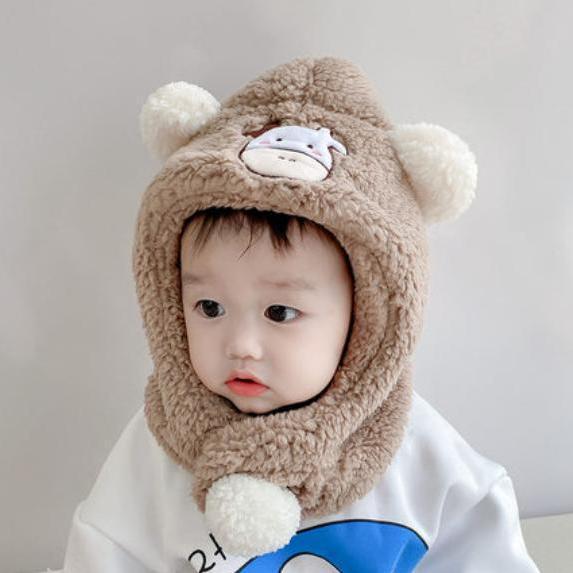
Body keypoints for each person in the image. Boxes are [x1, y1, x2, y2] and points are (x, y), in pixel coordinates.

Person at [53, 56, 540, 572]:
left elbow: (483, 550)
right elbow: (105, 552)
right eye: (210, 307)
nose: (241, 344)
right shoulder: (160, 446)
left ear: (364, 323)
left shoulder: (411, 448)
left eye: (280, 312)